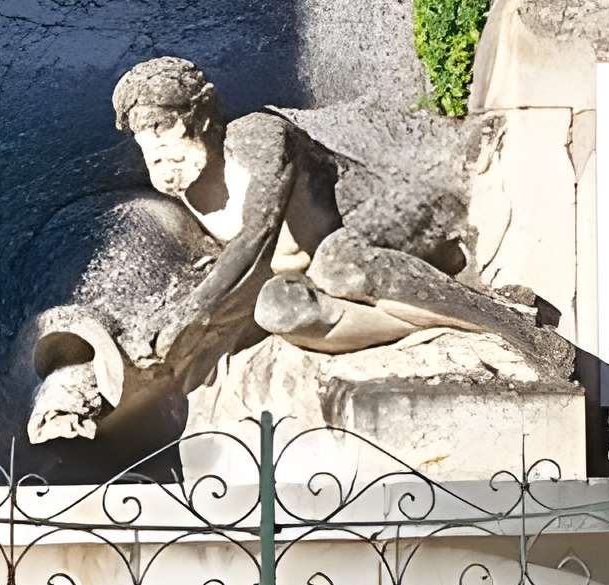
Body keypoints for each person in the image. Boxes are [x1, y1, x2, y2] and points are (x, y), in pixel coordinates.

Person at [111, 57, 567, 380]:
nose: (154, 147)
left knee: (336, 262)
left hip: (382, 223)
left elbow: (255, 238)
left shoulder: (258, 137)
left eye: (162, 127)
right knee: (278, 310)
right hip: (321, 273)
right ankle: (444, 318)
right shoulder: (183, 179)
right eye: (141, 135)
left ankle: (511, 326)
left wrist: (192, 312)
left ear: (203, 116)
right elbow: (250, 268)